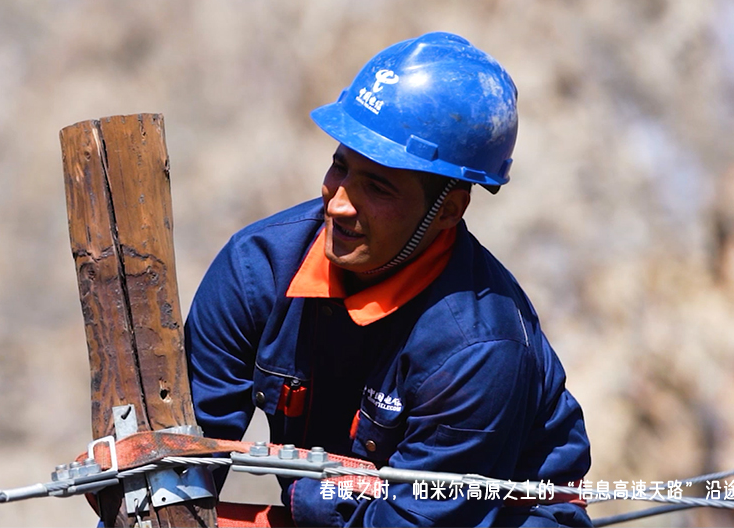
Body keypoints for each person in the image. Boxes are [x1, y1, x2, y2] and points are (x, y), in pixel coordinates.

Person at [185, 32, 591, 527]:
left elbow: (411, 521)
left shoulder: (478, 347)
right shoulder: (257, 271)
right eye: (340, 167)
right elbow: (181, 458)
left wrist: (310, 499)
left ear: (449, 210)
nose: (337, 204)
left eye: (376, 187)